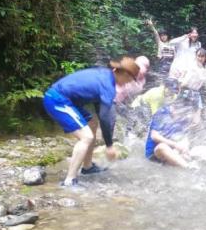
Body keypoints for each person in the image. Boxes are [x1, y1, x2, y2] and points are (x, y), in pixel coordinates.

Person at [43, 57, 140, 187]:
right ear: (124, 74)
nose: (128, 83)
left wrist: (108, 141)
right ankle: (69, 180)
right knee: (86, 137)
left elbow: (100, 110)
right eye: (130, 79)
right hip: (57, 100)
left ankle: (87, 167)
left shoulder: (105, 75)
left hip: (67, 101)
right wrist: (109, 146)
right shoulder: (108, 86)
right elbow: (105, 117)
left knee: (92, 123)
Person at [145, 96, 195, 168]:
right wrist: (175, 145)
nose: (182, 116)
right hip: (155, 153)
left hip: (173, 150)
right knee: (162, 147)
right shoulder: (162, 113)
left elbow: (184, 136)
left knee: (201, 149)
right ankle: (188, 167)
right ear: (174, 108)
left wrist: (184, 148)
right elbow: (154, 136)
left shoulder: (184, 116)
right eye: (180, 113)